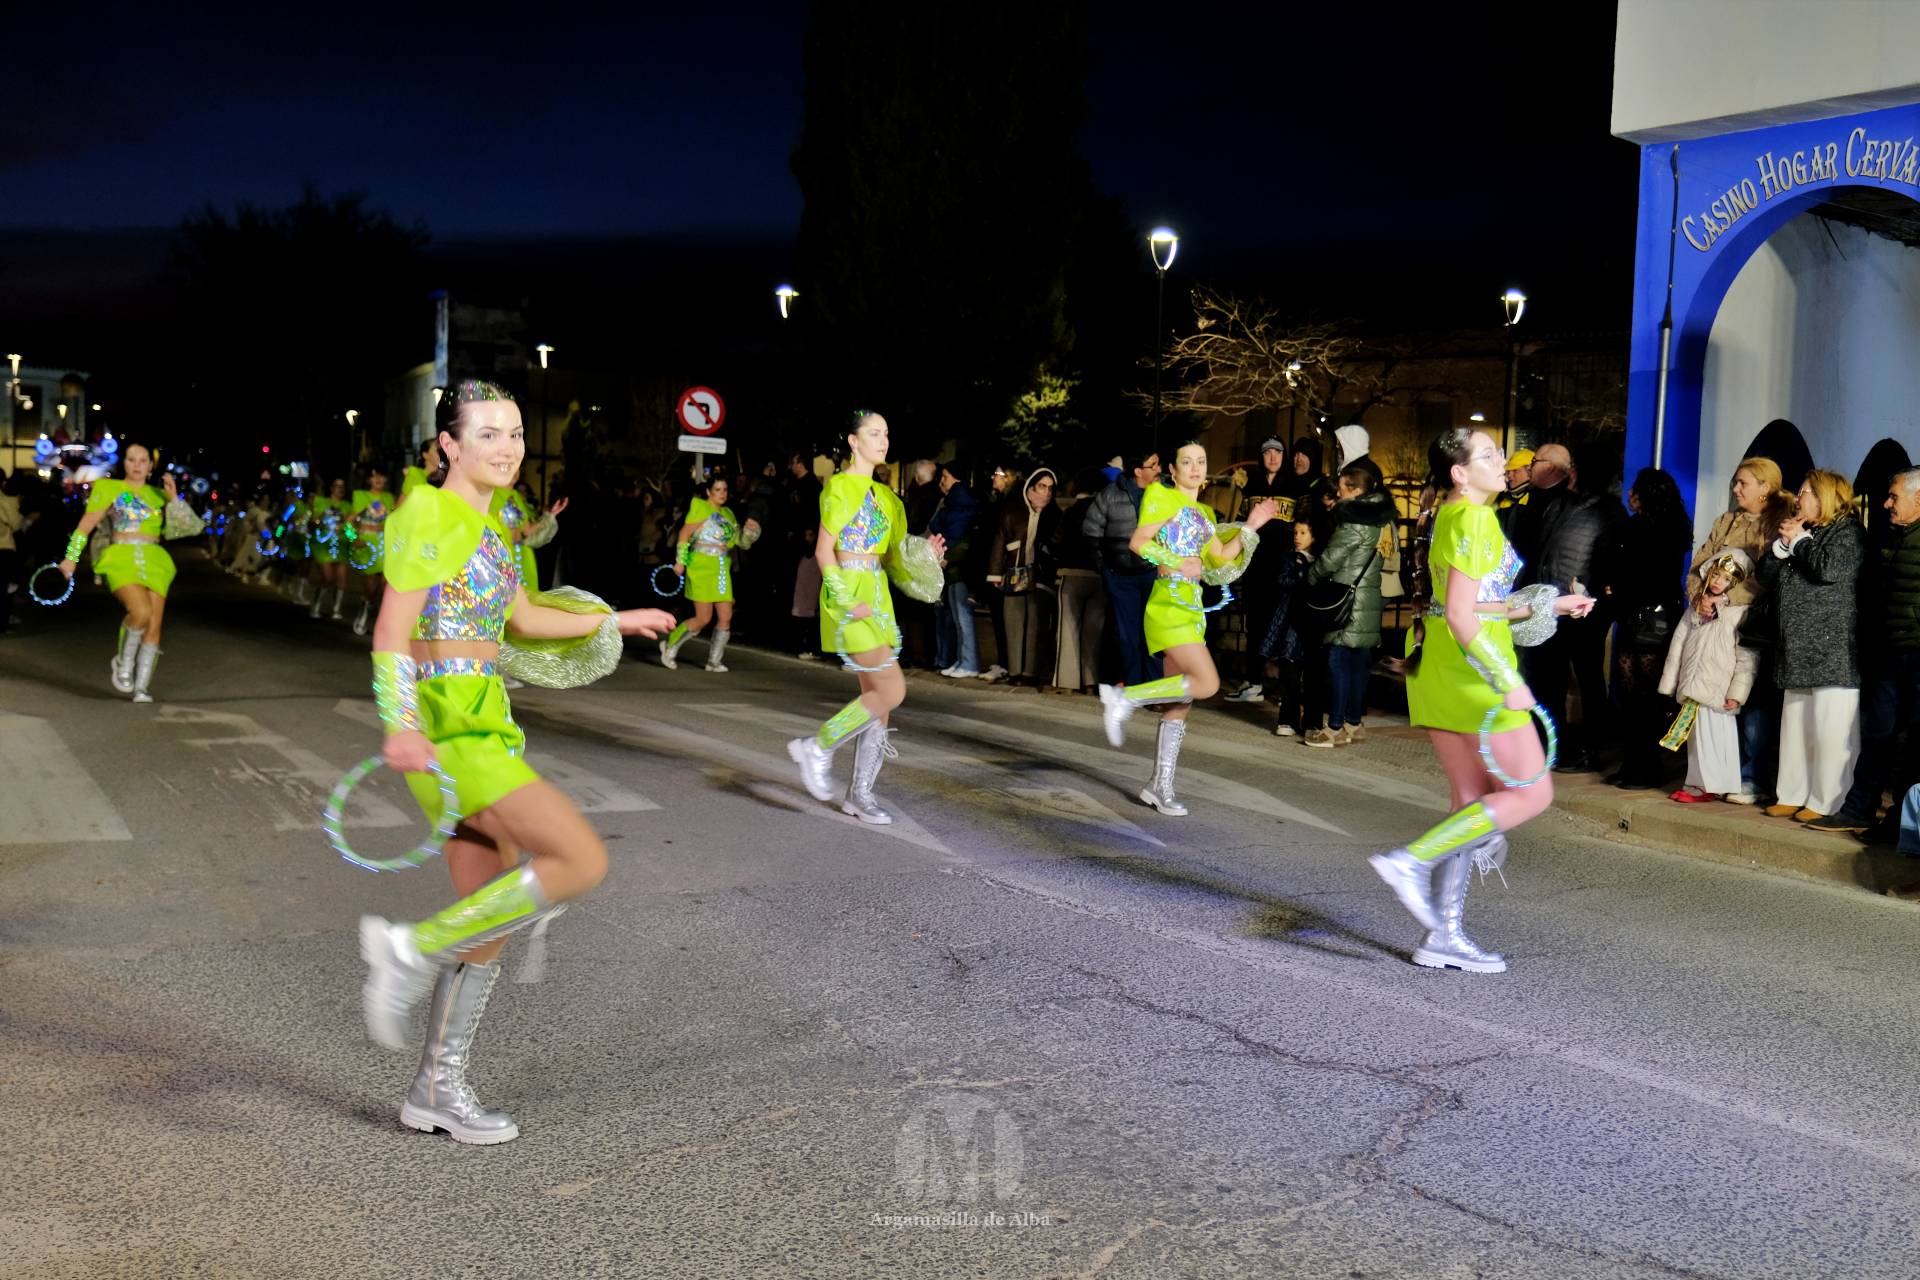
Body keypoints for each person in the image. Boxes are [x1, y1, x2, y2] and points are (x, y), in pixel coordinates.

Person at [356, 379, 678, 1144]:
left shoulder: (497, 530)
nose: (507, 447)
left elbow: (526, 619)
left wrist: (614, 617)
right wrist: (400, 724)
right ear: (449, 446)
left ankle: (437, 1089)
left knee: (492, 914)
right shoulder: (425, 513)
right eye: (488, 434)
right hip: (446, 727)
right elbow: (390, 633)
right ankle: (406, 948)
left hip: (488, 721)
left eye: (515, 434)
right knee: (580, 857)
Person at [1368, 429, 1592, 973]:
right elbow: (1466, 617)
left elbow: (1468, 606)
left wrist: (1549, 606)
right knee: (1532, 792)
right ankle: (1411, 860)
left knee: (1472, 804)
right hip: (1478, 680)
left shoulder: (1448, 515)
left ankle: (1442, 936)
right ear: (1460, 473)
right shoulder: (1474, 518)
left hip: (1443, 671)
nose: (1502, 461)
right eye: (1489, 454)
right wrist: (1504, 678)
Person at [1097, 441, 1277, 815]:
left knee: (1180, 703)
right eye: (1187, 462)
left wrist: (1252, 525)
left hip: (1192, 610)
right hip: (1167, 607)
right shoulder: (1161, 498)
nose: (1195, 468)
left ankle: (1159, 786)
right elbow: (1138, 543)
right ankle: (1125, 698)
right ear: (1173, 471)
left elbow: (1221, 558)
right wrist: (1178, 562)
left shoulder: (1205, 513)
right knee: (1208, 683)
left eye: (1201, 461)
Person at [787, 413, 944, 824]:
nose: (884, 441)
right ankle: (818, 745)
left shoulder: (888, 498)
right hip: (849, 597)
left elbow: (896, 560)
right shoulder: (839, 487)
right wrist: (844, 599)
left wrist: (930, 556)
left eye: (887, 433)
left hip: (878, 601)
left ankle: (860, 795)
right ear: (853, 442)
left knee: (879, 703)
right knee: (893, 690)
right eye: (874, 433)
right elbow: (825, 552)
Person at [55, 443, 205, 703]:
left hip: (155, 560)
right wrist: (71, 558)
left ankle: (141, 687)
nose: (137, 465)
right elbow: (85, 525)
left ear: (150, 466)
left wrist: (175, 500)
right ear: (124, 463)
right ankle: (124, 661)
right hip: (121, 558)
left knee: (154, 626)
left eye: (142, 460)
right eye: (131, 459)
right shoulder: (108, 489)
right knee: (141, 612)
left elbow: (188, 529)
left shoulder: (159, 494)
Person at [1756, 468, 1865, 823]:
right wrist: (1782, 545)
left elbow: (1829, 569)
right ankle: (1791, 792)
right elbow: (1766, 577)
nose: (1797, 497)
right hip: (1795, 645)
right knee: (1796, 726)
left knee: (1830, 731)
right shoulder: (1805, 531)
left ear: (1825, 497)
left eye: (1805, 491)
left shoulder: (1846, 531)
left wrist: (1800, 541)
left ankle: (1826, 799)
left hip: (1831, 647)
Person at [1816, 468, 1920, 835]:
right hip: (1891, 652)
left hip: (1917, 653)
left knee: (1914, 742)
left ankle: (1900, 821)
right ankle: (1859, 809)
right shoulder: (1892, 536)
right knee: (1878, 733)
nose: (1886, 503)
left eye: (1894, 497)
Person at [1689, 457, 1797, 802]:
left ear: (1765, 487)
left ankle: (1753, 776)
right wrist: (1701, 596)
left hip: (1756, 627)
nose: (1735, 489)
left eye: (1743, 483)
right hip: (1716, 627)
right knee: (1720, 698)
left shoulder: (1782, 521)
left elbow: (1768, 577)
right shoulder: (1726, 521)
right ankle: (1722, 772)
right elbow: (1699, 563)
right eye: (1735, 482)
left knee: (1753, 701)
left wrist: (1726, 596)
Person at [1509, 442, 1614, 771]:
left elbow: (1604, 560)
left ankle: (1587, 748)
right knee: (1551, 678)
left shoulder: (1598, 510)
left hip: (1579, 609)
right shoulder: (1564, 505)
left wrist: (1591, 596)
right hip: (1554, 604)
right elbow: (1541, 552)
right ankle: (1550, 743)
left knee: (1583, 679)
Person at [1601, 468, 1696, 789]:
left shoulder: (1638, 529)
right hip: (1658, 614)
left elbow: (1629, 572)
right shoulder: (1675, 527)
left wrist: (1616, 587)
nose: (1630, 495)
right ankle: (1638, 765)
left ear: (1645, 495)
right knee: (1645, 697)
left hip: (1641, 615)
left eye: (1636, 490)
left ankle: (1641, 767)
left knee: (1638, 696)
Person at [1304, 465, 1394, 747]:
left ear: (1356, 490)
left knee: (1338, 662)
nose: (1338, 492)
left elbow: (1331, 558)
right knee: (1358, 664)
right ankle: (1354, 723)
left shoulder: (1355, 521)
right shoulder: (1382, 520)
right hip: (1367, 598)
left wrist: (1311, 575)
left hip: (1348, 600)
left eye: (1343, 487)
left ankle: (1334, 728)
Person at [1660, 550, 1756, 802]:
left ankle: (1713, 784)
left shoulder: (1738, 613)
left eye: (1725, 579)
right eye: (1715, 575)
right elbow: (1678, 645)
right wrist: (1669, 683)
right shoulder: (1695, 609)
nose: (1717, 582)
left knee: (1716, 737)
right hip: (1693, 684)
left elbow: (1747, 657)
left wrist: (1738, 693)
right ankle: (1697, 783)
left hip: (1719, 688)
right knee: (1697, 740)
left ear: (1735, 584)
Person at [659, 476, 759, 672]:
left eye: (725, 489)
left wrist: (750, 532)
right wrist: (681, 561)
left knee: (726, 616)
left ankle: (714, 661)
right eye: (717, 489)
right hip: (701, 567)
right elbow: (684, 535)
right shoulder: (701, 508)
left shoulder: (728, 514)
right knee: (703, 618)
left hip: (721, 569)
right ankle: (670, 645)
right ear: (708, 492)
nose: (722, 493)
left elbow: (740, 542)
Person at [1083, 450, 1163, 686]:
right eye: (1154, 465)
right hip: (1120, 577)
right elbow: (1091, 531)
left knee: (1154, 633)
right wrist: (1103, 567)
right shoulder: (1110, 494)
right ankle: (1135, 685)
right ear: (1138, 471)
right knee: (1127, 635)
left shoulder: (1164, 495)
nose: (1159, 469)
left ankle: (1154, 687)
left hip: (1153, 573)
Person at [1227, 437, 1296, 702]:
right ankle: (1253, 681)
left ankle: (1280, 686)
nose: (1272, 457)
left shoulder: (1292, 484)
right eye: (1267, 452)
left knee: (1281, 627)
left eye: (1277, 452)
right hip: (1256, 566)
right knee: (1254, 625)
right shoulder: (1251, 484)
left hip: (1283, 568)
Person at [986, 468, 1059, 684]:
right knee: (1014, 623)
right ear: (1031, 488)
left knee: (1036, 626)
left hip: (1040, 578)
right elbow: (998, 543)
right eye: (1041, 486)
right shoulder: (1012, 512)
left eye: (1050, 488)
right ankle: (1016, 671)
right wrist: (995, 574)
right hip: (1015, 575)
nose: (1045, 493)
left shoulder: (1053, 515)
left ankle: (1030, 673)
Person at [1262, 516, 1325, 737]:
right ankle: (1287, 718)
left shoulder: (1321, 559)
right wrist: (1299, 572)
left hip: (1311, 621)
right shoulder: (1289, 558)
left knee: (1312, 675)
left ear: (1313, 536)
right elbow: (1283, 580)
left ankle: (1312, 721)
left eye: (1303, 533)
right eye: (1295, 533)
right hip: (1291, 622)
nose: (1297, 538)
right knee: (1289, 672)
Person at [1048, 468, 1109, 693]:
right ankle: (1091, 681)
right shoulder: (1105, 511)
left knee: (1068, 629)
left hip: (1071, 573)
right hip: (1099, 575)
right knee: (1093, 631)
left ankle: (1066, 682)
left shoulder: (1072, 511)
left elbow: (1056, 541)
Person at [929, 459, 981, 677]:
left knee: (962, 616)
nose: (942, 481)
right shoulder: (956, 500)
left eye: (946, 476)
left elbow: (953, 529)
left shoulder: (959, 500)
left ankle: (969, 662)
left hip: (957, 568)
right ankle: (962, 659)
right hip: (953, 567)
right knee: (958, 618)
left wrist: (946, 554)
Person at [349, 468, 395, 636]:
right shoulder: (360, 496)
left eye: (381, 476)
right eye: (374, 476)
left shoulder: (389, 498)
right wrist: (354, 539)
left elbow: (395, 519)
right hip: (368, 546)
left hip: (386, 544)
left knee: (385, 584)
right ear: (369, 480)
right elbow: (348, 523)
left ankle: (382, 623)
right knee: (370, 585)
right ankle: (365, 608)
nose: (378, 479)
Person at [1333, 424, 1384, 489]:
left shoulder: (1360, 470)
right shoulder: (1362, 466)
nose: (1337, 446)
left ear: (1350, 444)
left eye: (1339, 442)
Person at [1496, 448, 1534, 520]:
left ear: (1530, 471)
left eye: (1515, 470)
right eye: (1508, 471)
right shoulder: (1503, 498)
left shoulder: (1537, 499)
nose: (1509, 475)